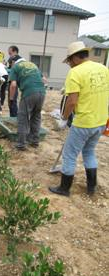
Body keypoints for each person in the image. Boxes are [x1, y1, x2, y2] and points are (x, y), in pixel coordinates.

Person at [49, 41, 109, 196]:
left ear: (75, 58)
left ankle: (64, 188)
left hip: (84, 122)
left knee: (69, 154)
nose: (69, 64)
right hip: (101, 121)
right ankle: (91, 187)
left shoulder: (75, 72)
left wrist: (63, 117)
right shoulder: (103, 69)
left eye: (69, 61)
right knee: (89, 152)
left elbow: (72, 101)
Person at [9, 55, 46, 150]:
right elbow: (44, 80)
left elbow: (13, 85)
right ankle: (34, 141)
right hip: (42, 92)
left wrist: (11, 98)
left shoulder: (16, 67)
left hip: (29, 93)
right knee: (36, 116)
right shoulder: (33, 65)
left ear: (14, 62)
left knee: (23, 118)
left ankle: (21, 144)